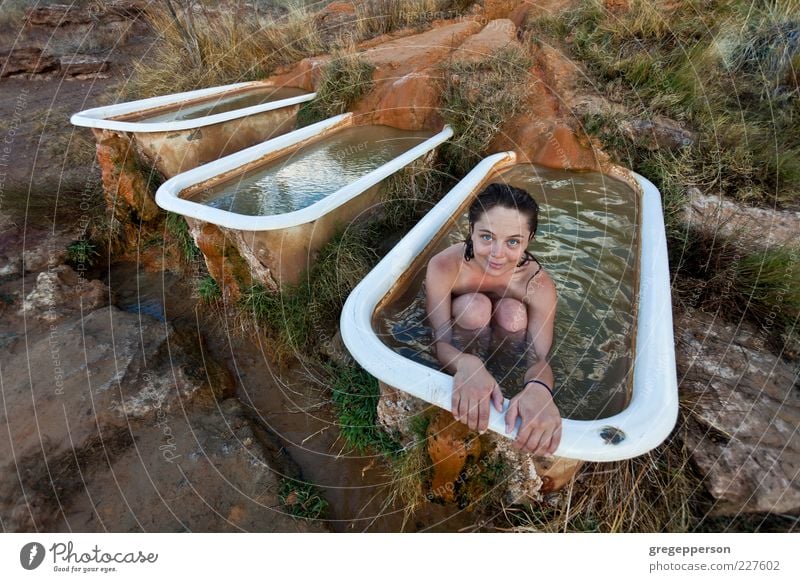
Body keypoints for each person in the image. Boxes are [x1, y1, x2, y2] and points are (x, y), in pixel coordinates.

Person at [425, 182, 561, 455]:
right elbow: (440, 340)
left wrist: (538, 389)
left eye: (513, 242)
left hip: (506, 335)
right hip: (465, 331)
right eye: (487, 237)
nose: (498, 254)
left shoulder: (538, 285)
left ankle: (501, 374)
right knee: (474, 307)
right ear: (471, 230)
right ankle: (475, 375)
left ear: (529, 239)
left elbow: (538, 358)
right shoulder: (445, 266)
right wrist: (468, 363)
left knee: (514, 315)